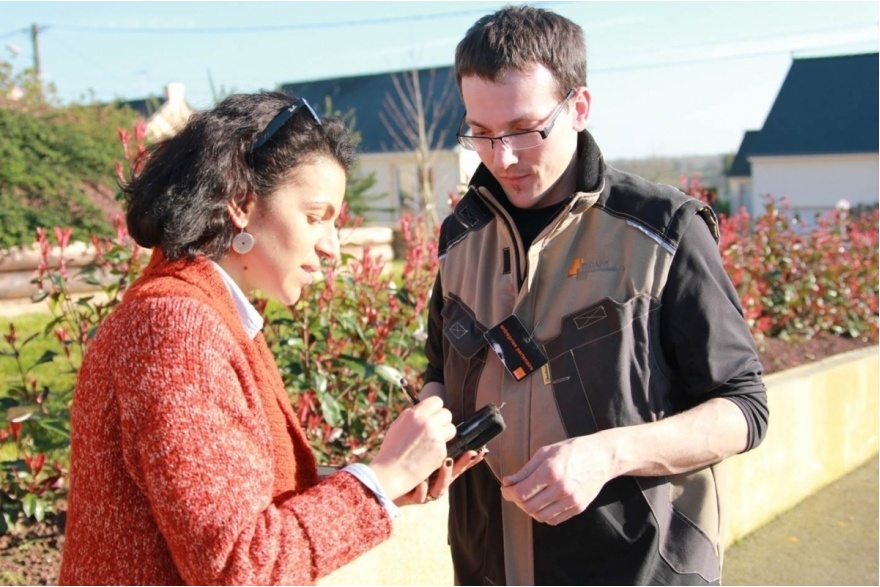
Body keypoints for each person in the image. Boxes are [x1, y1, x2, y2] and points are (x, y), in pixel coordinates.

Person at [59, 91, 480, 585]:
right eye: (316, 216)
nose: (332, 246)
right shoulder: (176, 329)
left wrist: (385, 481)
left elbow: (238, 515)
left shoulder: (202, 312)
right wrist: (380, 478)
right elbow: (241, 567)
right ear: (241, 202)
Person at [420, 6, 769, 585]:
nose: (501, 157)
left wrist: (609, 454)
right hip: (484, 568)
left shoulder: (665, 230)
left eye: (524, 130)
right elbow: (439, 371)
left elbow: (745, 409)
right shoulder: (459, 236)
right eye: (479, 133)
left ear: (579, 108)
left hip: (635, 571)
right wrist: (422, 432)